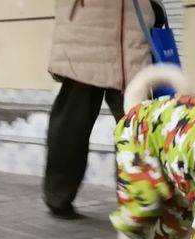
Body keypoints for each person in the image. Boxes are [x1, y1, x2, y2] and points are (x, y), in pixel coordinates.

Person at [44, 0, 163, 219]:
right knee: (72, 123)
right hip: (88, 31)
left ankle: (138, 200)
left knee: (137, 126)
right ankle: (58, 195)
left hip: (132, 32)